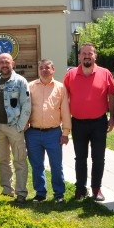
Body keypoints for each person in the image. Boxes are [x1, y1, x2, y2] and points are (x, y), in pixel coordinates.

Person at [63, 42, 114, 201]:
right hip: (78, 123)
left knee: (98, 157)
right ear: (79, 56)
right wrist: (65, 123)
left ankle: (96, 189)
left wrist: (112, 118)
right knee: (80, 158)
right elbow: (64, 100)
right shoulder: (70, 75)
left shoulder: (105, 73)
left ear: (95, 56)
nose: (87, 56)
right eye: (84, 53)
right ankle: (80, 189)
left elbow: (112, 96)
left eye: (90, 53)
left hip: (99, 123)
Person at [25, 59, 71, 203]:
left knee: (56, 165)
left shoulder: (61, 87)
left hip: (54, 133)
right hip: (33, 133)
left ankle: (59, 194)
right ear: (38, 70)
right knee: (37, 165)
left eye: (47, 68)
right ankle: (40, 193)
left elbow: (65, 110)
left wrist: (65, 132)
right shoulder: (30, 86)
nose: (44, 70)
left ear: (53, 69)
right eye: (41, 68)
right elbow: (26, 108)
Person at [0, 53, 31, 203]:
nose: (4, 65)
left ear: (12, 63)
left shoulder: (20, 81)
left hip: (15, 126)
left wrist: (20, 125)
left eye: (7, 62)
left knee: (20, 159)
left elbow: (26, 104)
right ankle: (7, 190)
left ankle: (21, 192)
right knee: (3, 160)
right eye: (1, 62)